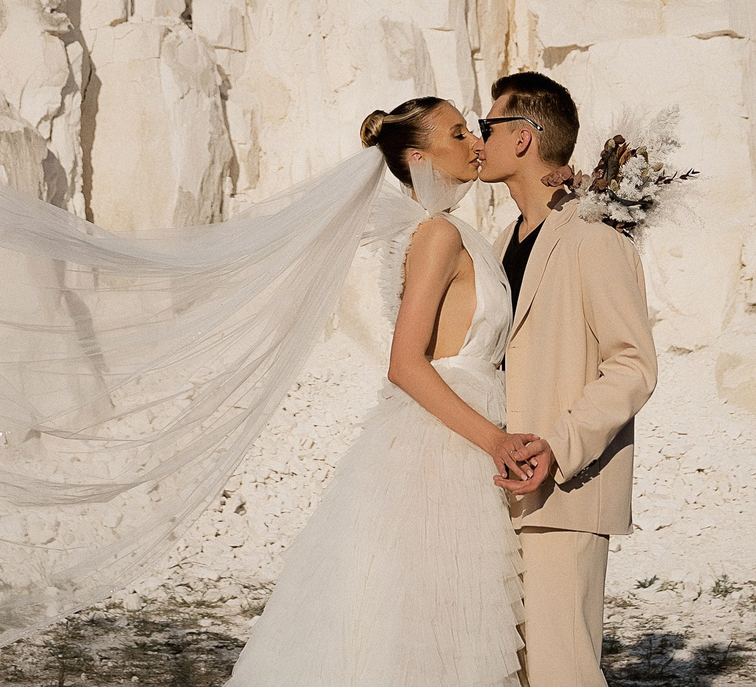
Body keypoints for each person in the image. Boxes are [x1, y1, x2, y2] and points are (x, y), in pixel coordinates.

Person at [227, 95, 552, 686]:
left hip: (458, 430)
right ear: (420, 157)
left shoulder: (454, 230)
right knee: (427, 619)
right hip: (445, 444)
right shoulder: (436, 235)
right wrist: (495, 441)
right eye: (459, 134)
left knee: (436, 616)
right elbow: (405, 364)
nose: (476, 142)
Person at [475, 71, 658, 687]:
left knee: (562, 675)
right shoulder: (503, 241)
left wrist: (559, 443)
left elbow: (633, 364)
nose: (479, 141)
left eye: (488, 126)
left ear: (523, 137)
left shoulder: (595, 238)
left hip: (565, 495)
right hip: (499, 489)